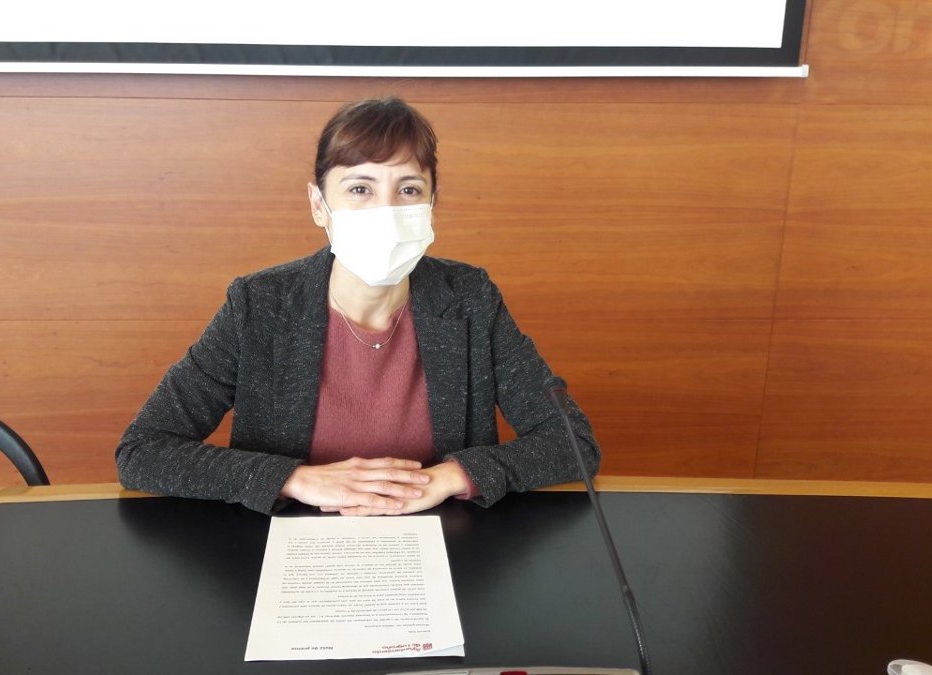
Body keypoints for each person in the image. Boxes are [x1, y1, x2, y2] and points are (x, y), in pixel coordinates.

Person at [116, 96, 599, 516]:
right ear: (318, 205)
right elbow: (143, 450)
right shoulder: (259, 305)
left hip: (443, 544)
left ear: (431, 204)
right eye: (360, 189)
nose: (386, 211)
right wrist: (294, 479)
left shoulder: (470, 298)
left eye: (408, 189)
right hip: (288, 547)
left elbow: (572, 442)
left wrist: (450, 477)